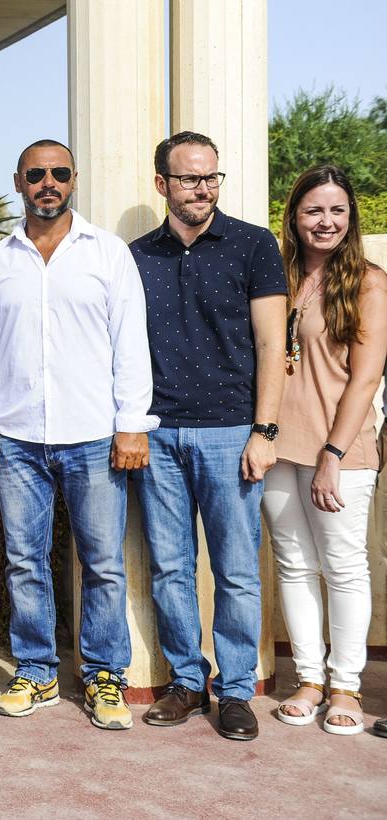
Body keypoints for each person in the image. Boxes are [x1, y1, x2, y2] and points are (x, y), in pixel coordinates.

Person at [0, 139, 154, 732]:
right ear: (18, 181)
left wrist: (130, 424)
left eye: (60, 173)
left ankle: (103, 677)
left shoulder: (108, 254)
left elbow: (131, 345)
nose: (49, 182)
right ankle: (36, 671)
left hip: (94, 435)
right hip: (15, 438)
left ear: (74, 180)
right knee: (24, 560)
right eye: (37, 173)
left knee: (102, 563)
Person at [129, 131, 288, 741]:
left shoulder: (253, 245)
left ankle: (236, 689)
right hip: (159, 434)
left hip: (231, 433)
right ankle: (187, 683)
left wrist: (264, 430)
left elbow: (273, 343)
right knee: (170, 567)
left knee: (237, 570)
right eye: (190, 178)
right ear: (162, 184)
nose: (203, 188)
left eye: (212, 177)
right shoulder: (137, 255)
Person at [261, 165, 386, 736]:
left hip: (340, 451)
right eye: (314, 210)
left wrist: (333, 455)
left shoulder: (369, 283)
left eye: (337, 210)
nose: (326, 221)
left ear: (350, 217)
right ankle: (308, 679)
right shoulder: (279, 274)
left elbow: (365, 380)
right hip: (277, 445)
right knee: (293, 565)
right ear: (294, 216)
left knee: (342, 568)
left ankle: (346, 688)